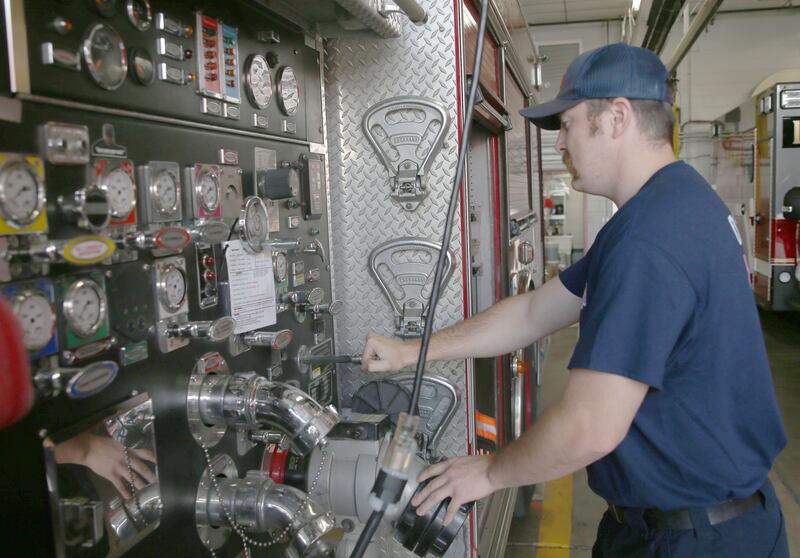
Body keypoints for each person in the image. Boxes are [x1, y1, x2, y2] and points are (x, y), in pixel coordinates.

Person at [361, 43, 788, 557]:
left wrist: (491, 472)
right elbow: (534, 312)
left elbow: (590, 427)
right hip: (695, 522)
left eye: (566, 124)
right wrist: (414, 351)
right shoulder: (666, 207)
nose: (559, 143)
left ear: (616, 117)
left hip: (693, 538)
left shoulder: (650, 237)